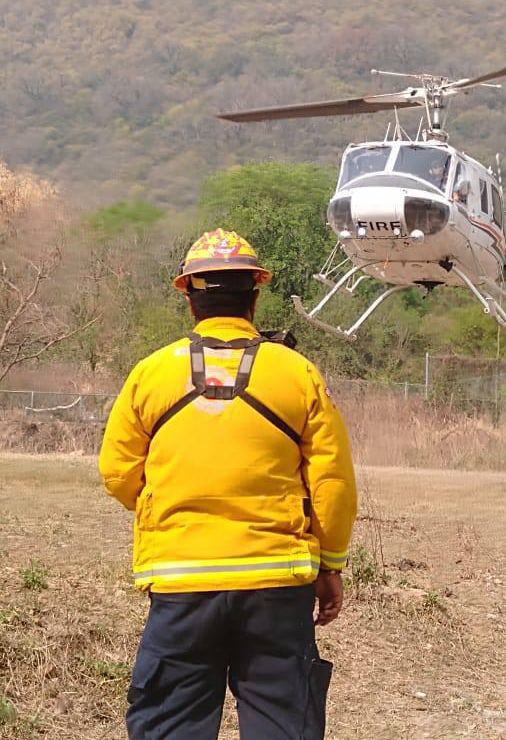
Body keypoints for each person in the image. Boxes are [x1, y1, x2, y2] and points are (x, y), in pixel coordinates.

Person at [99, 229, 357, 740]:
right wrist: (330, 565)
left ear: (189, 297)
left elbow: (118, 473)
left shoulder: (151, 374)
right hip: (277, 586)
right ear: (255, 295)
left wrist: (172, 510)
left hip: (180, 584)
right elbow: (332, 482)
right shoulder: (298, 373)